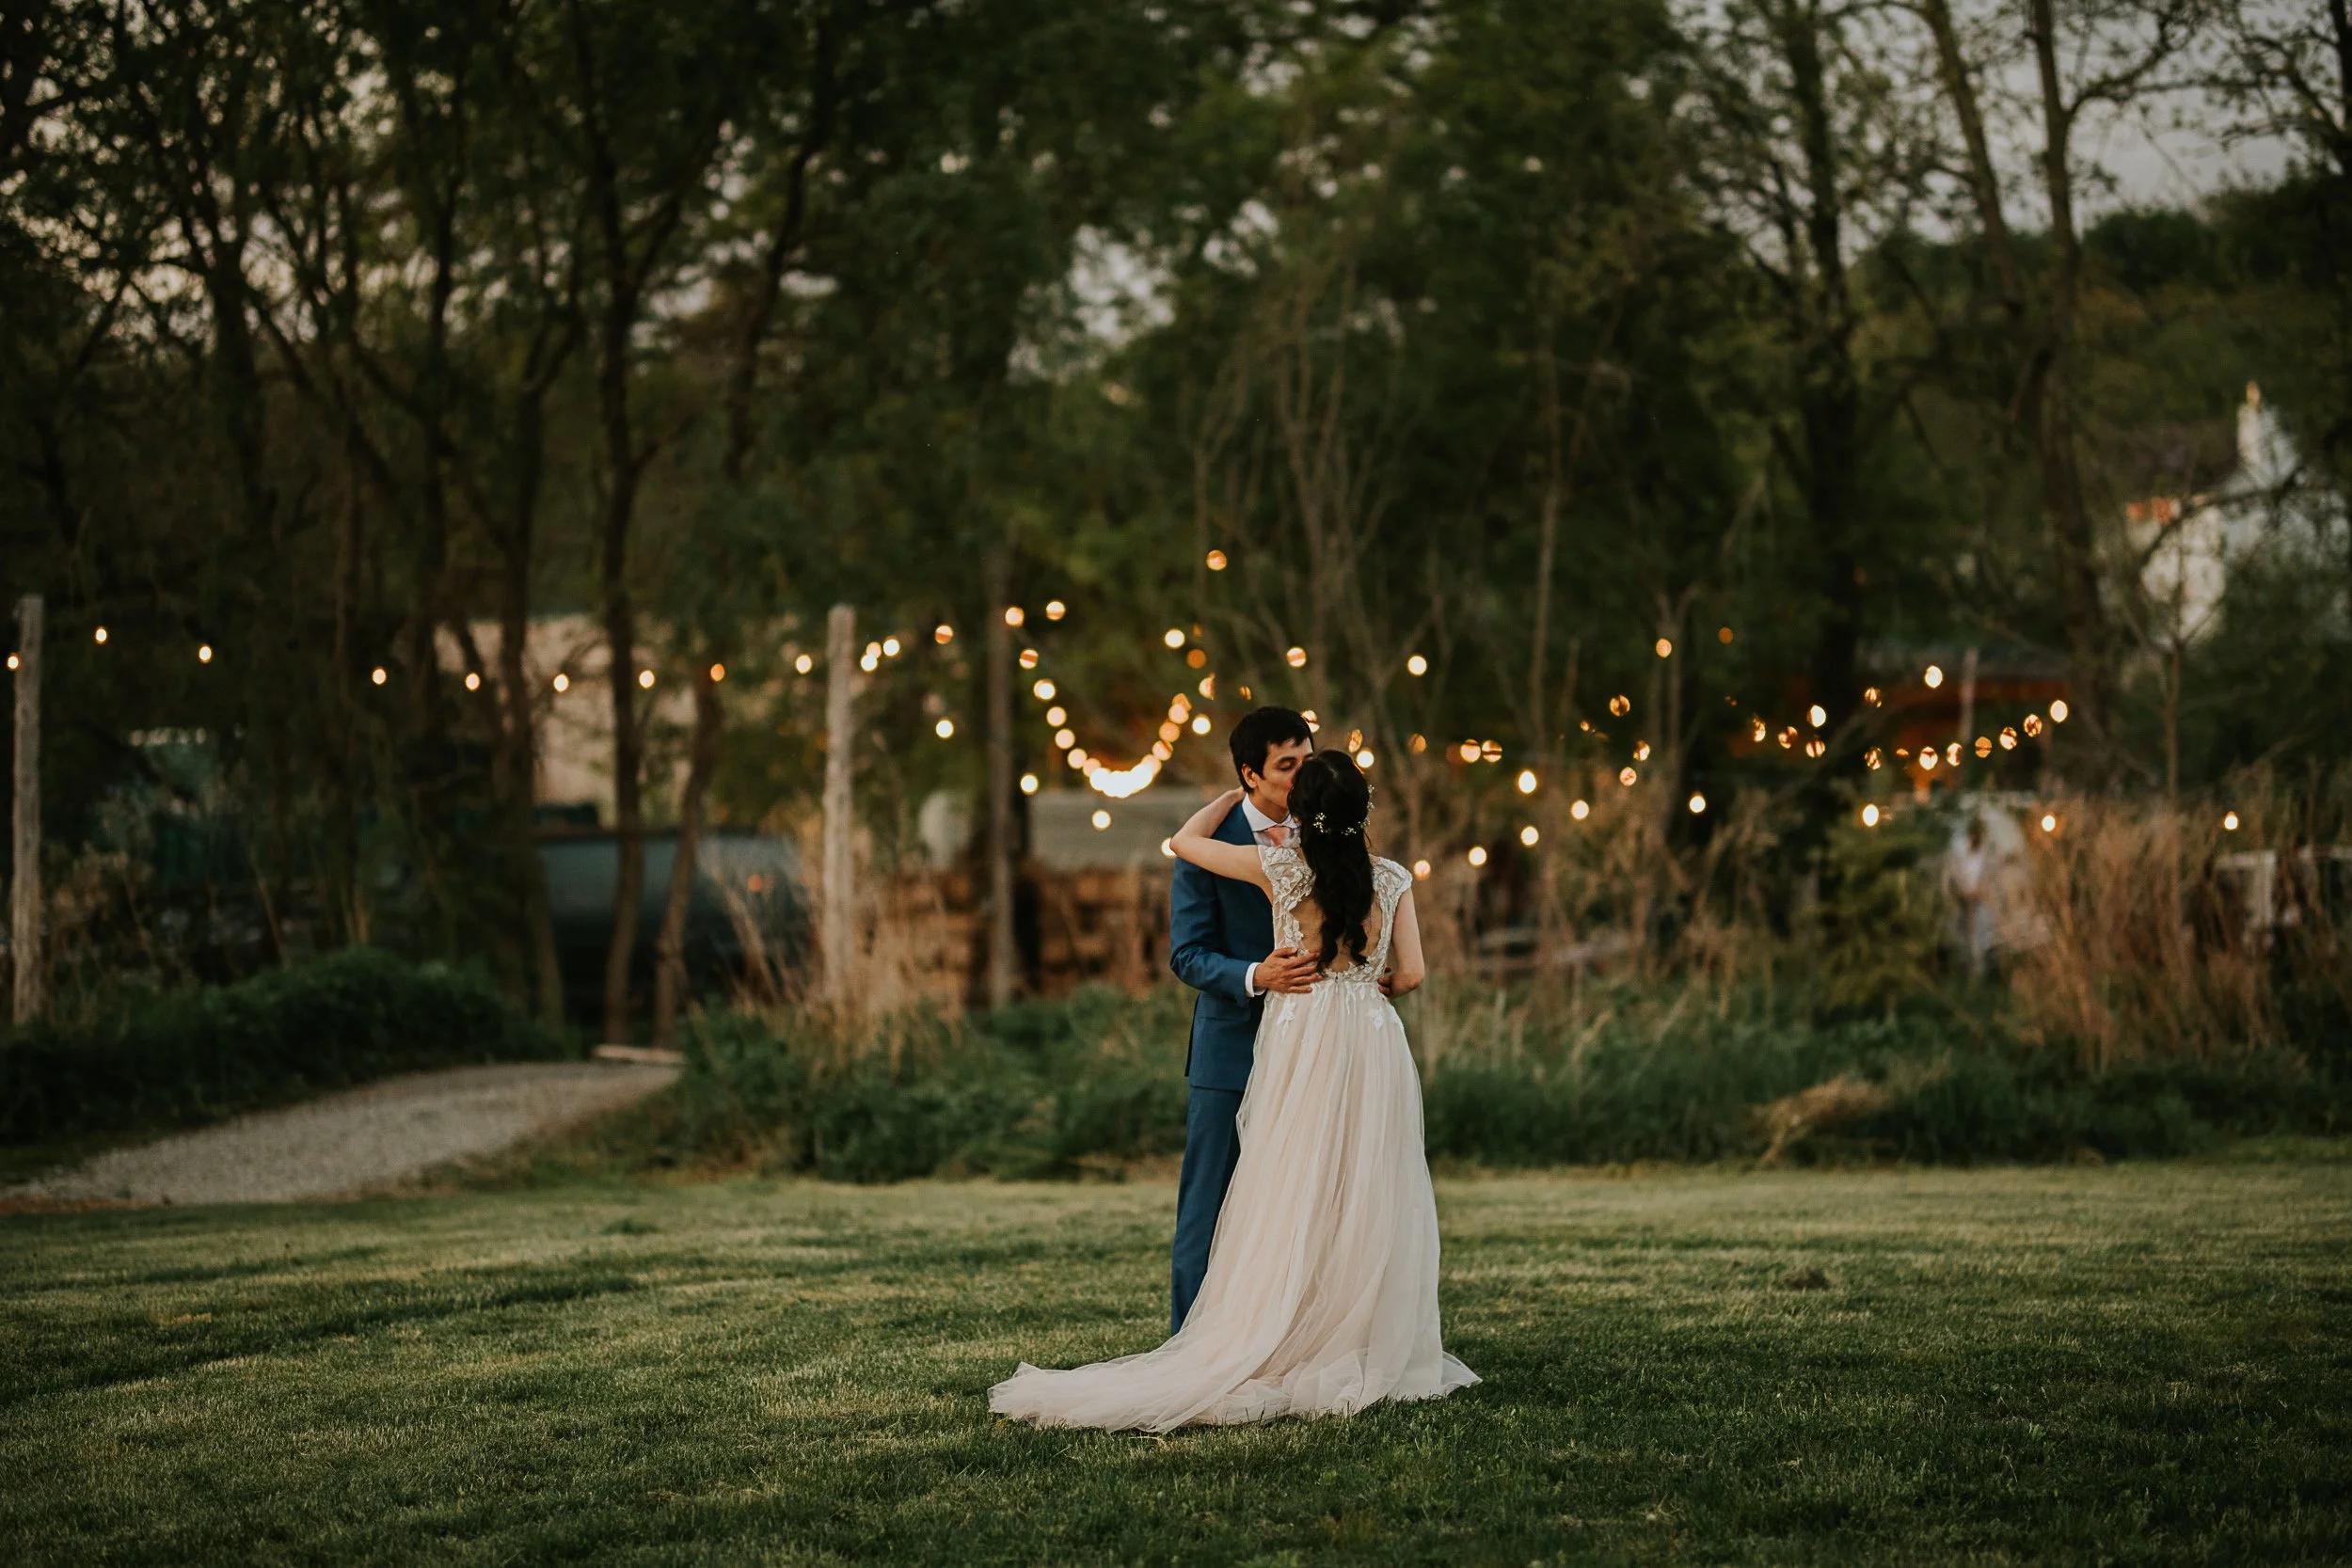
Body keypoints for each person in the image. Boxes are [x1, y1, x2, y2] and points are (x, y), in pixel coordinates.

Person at [989, 749, 1479, 1432]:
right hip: (1371, 1037)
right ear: (1365, 812)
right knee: (1366, 1183)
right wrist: (1368, 988)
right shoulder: (1393, 878)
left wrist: (1229, 794)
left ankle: (1276, 1326)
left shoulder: (1278, 867)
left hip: (1305, 1034)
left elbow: (1184, 842)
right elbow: (1416, 971)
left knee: (1289, 1180)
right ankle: (1355, 1336)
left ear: (1301, 813)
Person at [1162, 706, 1319, 1334]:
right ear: (1251, 774)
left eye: (1308, 760)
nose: (1302, 776)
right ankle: (1190, 1344)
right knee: (1209, 1207)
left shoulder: (1327, 827)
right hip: (1231, 1049)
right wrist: (1259, 974)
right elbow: (1187, 953)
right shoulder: (1208, 838)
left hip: (1315, 1046)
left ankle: (1284, 1337)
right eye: (1288, 766)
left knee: (1300, 1203)